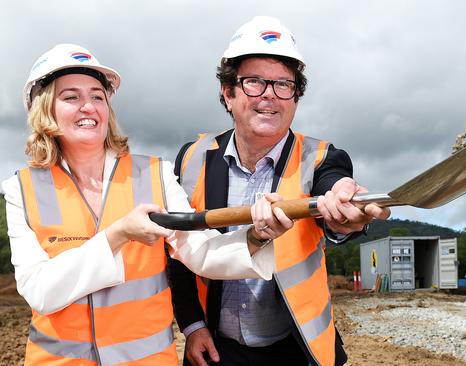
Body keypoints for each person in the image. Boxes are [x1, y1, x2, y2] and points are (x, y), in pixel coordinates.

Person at [2, 43, 295, 365]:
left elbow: (202, 253)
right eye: (71, 97)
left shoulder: (154, 174)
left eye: (97, 96)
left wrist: (255, 237)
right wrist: (118, 235)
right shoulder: (21, 189)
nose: (88, 106)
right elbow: (41, 293)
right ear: (46, 110)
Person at [169, 16, 391, 366]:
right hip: (216, 347)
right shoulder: (192, 159)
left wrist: (346, 215)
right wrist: (193, 325)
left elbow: (332, 187)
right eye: (254, 82)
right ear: (228, 94)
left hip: (296, 347)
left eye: (283, 85)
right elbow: (177, 251)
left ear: (296, 98)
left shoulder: (320, 158)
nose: (270, 95)